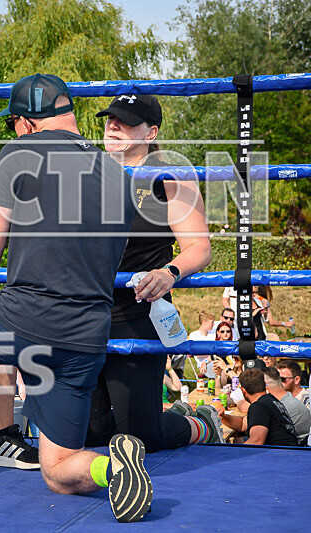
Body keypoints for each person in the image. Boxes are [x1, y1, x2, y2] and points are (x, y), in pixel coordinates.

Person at [0, 74, 151, 523]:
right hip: (87, 336)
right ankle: (112, 468)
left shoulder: (19, 153)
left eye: (13, 124)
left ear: (26, 122)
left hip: (29, 315)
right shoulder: (119, 176)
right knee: (57, 470)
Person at [83, 92, 217, 455]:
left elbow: (200, 247)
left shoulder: (170, 174)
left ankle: (201, 422)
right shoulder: (88, 171)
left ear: (150, 131)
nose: (113, 126)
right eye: (110, 118)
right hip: (86, 308)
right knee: (86, 435)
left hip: (138, 308)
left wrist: (169, 271)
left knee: (143, 437)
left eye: (125, 121)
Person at [216, 368, 299, 446]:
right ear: (264, 385)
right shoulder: (270, 400)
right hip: (289, 453)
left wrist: (233, 456)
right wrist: (223, 417)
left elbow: (256, 441)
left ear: (243, 391)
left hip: (280, 456)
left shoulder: (259, 407)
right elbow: (242, 424)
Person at [263, 367, 310, 442]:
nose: (279, 382)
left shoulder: (288, 404)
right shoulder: (286, 398)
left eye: (282, 379)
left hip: (293, 449)